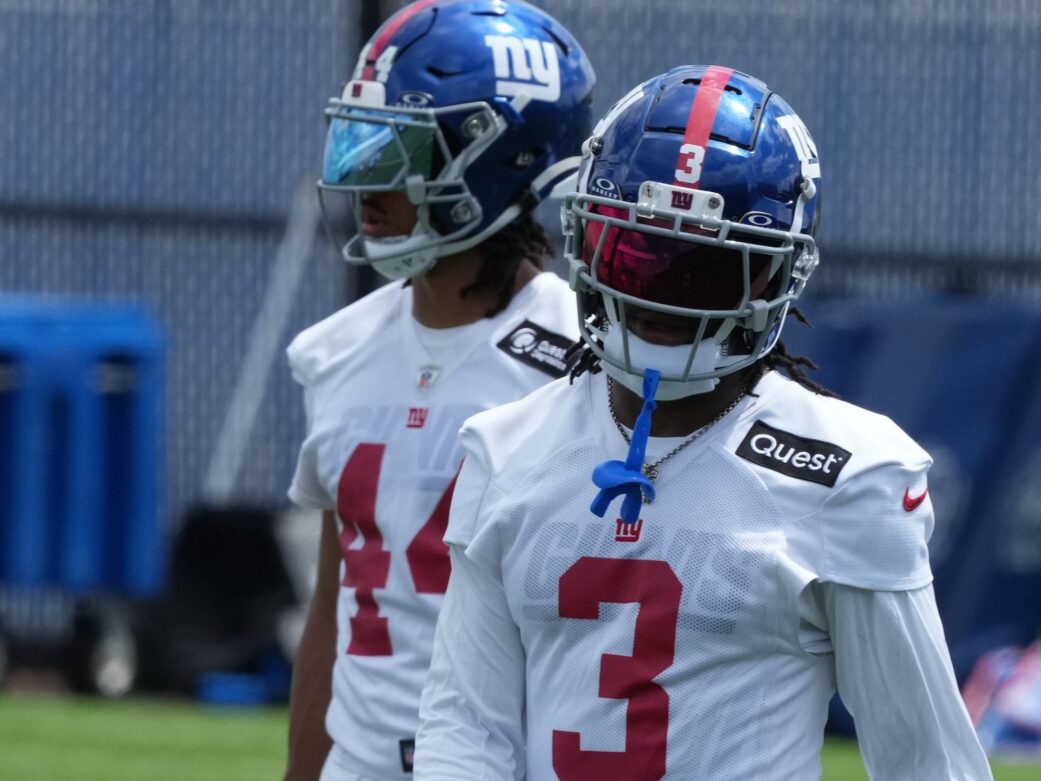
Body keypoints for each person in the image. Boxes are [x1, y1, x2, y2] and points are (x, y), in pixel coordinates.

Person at [414, 65, 994, 780]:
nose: (666, 292)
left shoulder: (849, 473)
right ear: (587, 243)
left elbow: (925, 759)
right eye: (639, 254)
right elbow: (466, 729)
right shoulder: (506, 447)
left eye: (707, 266)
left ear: (776, 275)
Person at [282, 2, 595, 780]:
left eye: (404, 146)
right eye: (363, 137)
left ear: (502, 159)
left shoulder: (583, 364)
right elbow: (335, 603)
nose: (366, 175)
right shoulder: (335, 352)